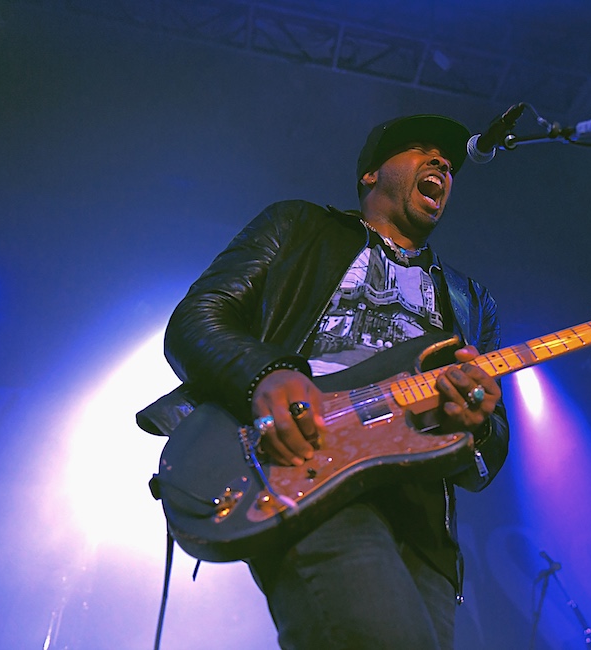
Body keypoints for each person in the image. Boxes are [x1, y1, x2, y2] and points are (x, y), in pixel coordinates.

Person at [136, 114, 510, 649]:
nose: (443, 163)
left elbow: (490, 450)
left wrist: (477, 422)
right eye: (418, 149)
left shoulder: (472, 302)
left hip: (426, 530)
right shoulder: (299, 226)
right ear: (370, 175)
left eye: (448, 160)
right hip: (307, 470)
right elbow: (197, 319)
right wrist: (266, 374)